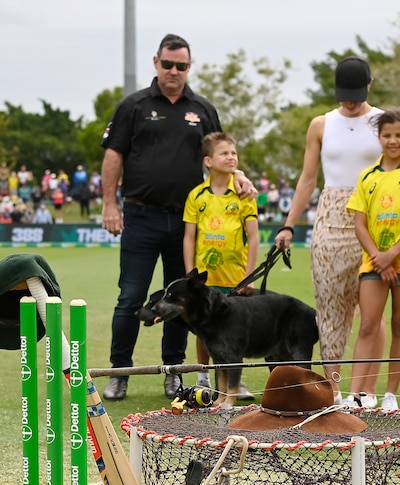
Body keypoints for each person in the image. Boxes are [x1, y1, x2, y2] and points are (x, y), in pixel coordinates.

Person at [99, 33, 255, 401]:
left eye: (181, 65)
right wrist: (109, 203)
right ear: (156, 62)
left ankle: (175, 371)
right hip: (140, 216)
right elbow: (113, 155)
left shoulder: (201, 108)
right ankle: (119, 372)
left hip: (187, 222)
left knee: (182, 301)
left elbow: (221, 153)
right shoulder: (133, 105)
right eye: (167, 64)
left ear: (189, 66)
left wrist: (241, 174)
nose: (173, 71)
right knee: (131, 296)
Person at [273, 57, 400, 406]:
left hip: (377, 216)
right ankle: (334, 390)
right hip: (331, 214)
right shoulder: (321, 124)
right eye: (344, 95)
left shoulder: (383, 121)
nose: (350, 102)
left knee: (373, 309)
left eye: (356, 94)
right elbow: (308, 179)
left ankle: (366, 390)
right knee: (330, 310)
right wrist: (288, 223)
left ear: (369, 85)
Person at [344, 108, 400, 411]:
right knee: (368, 325)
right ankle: (356, 394)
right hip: (373, 263)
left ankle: (391, 394)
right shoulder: (367, 177)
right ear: (379, 138)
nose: (393, 140)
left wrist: (391, 256)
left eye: (399, 135)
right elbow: (359, 224)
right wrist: (378, 257)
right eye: (387, 135)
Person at [182, 132, 258, 399]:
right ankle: (204, 378)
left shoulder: (244, 195)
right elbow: (189, 237)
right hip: (205, 279)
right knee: (204, 330)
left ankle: (236, 380)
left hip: (235, 278)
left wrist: (249, 275)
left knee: (234, 332)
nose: (231, 157)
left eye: (234, 153)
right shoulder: (196, 196)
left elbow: (255, 236)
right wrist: (191, 275)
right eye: (224, 153)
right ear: (208, 161)